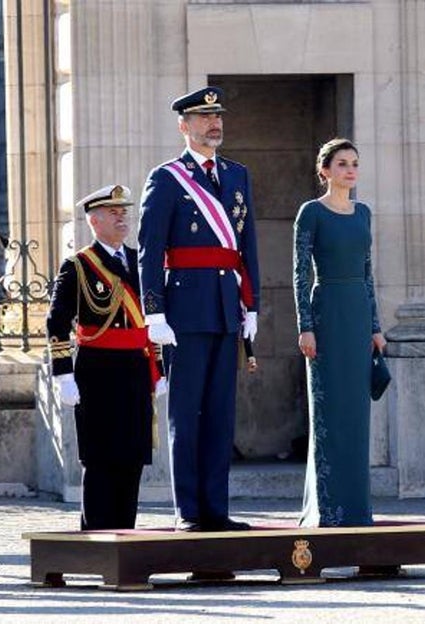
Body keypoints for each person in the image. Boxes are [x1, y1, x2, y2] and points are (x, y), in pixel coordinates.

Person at [138, 86, 260, 532]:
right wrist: (154, 312)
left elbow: (247, 246)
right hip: (184, 309)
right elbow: (150, 251)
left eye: (218, 117)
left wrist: (253, 304)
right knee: (185, 414)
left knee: (220, 414)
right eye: (204, 118)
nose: (215, 124)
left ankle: (216, 508)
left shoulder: (236, 175)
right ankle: (188, 510)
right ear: (183, 126)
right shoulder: (168, 178)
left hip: (227, 306)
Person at [47, 184, 162, 530]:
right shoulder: (79, 266)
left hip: (135, 370)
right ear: (94, 221)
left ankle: (124, 538)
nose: (122, 216)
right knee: (100, 459)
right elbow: (56, 319)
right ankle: (95, 540)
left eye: (123, 211)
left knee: (131, 458)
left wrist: (159, 368)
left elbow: (150, 321)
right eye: (113, 212)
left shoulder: (139, 262)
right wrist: (63, 373)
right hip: (97, 371)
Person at [293, 138, 385, 527]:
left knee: (356, 417)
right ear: (325, 170)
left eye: (355, 164)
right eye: (342, 164)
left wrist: (377, 328)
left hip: (358, 317)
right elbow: (299, 274)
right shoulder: (310, 213)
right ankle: (326, 510)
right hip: (327, 313)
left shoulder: (363, 213)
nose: (350, 170)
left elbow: (367, 274)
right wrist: (305, 327)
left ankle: (356, 509)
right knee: (329, 413)